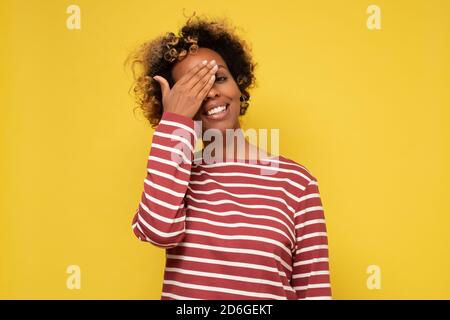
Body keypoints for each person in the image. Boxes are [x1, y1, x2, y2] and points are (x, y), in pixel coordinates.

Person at [127, 12, 332, 300]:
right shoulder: (176, 176)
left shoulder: (297, 183)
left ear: (239, 85)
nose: (210, 93)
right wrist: (173, 121)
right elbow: (157, 230)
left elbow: (314, 290)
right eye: (193, 89)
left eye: (219, 78)